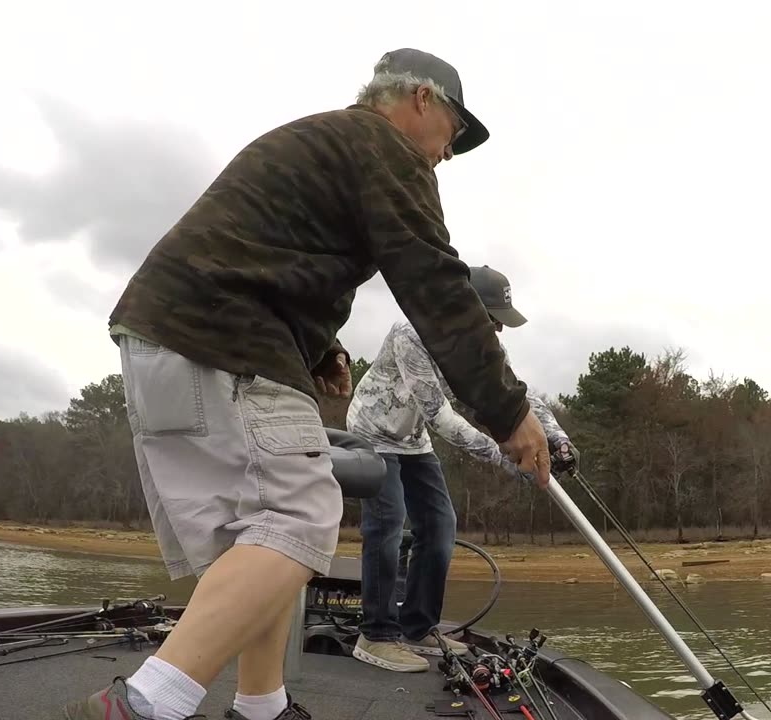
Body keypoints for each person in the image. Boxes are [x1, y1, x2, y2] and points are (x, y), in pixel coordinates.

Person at [60, 48, 553, 720]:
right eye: (454, 133)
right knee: (299, 519)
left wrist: (321, 348)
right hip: (227, 341)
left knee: (255, 535)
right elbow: (435, 282)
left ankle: (262, 707)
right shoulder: (384, 147)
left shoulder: (328, 143)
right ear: (419, 98)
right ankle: (146, 704)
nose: (448, 153)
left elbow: (269, 251)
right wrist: (509, 412)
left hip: (164, 336)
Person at [345, 265, 579, 673]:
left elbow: (517, 397)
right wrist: (502, 456)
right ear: (467, 306)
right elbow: (441, 417)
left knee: (440, 526)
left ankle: (418, 627)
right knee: (387, 522)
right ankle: (376, 636)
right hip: (373, 432)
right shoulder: (413, 333)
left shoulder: (482, 347)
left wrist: (557, 437)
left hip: (411, 437)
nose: (498, 331)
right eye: (493, 320)